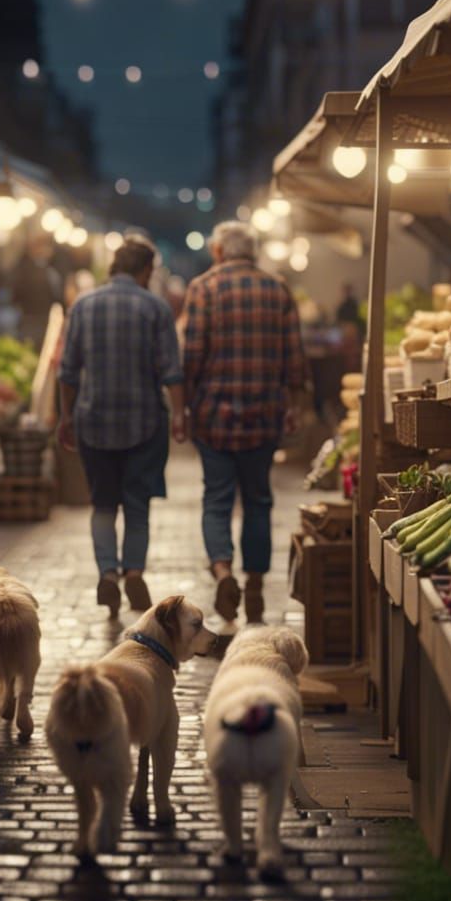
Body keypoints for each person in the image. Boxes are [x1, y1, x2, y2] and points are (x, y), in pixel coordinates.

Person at [183, 221, 308, 625]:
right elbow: (294, 357)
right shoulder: (278, 289)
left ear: (219, 251)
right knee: (258, 500)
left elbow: (192, 356)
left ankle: (223, 571)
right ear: (252, 252)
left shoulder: (203, 288)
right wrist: (295, 404)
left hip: (213, 418)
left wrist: (185, 405)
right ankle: (254, 582)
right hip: (264, 416)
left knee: (217, 500)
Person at [58, 235, 186, 617]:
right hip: (145, 421)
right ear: (146, 270)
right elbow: (172, 370)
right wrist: (180, 415)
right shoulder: (156, 307)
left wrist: (66, 416)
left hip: (93, 419)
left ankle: (108, 573)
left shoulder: (83, 305)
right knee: (137, 505)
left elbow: (68, 372)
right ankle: (133, 571)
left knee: (102, 503)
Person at [11, 235, 63, 351]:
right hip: (31, 319)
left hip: (40, 318)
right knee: (31, 349)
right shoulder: (26, 269)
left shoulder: (50, 270)